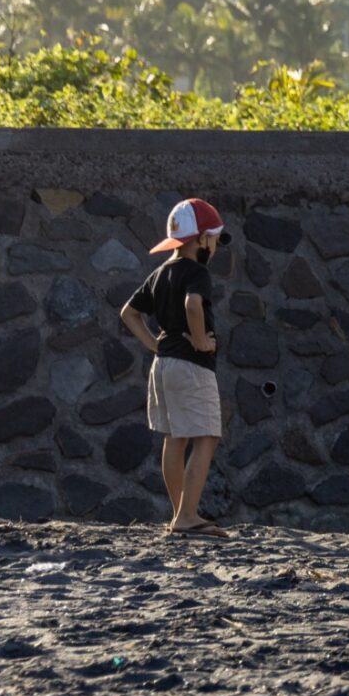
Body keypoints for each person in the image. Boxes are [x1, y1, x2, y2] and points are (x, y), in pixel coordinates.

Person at [116, 198, 232, 538]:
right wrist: (200, 340)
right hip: (191, 365)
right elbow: (193, 303)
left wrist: (155, 345)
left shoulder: (160, 272)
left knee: (175, 438)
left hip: (163, 364)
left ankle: (181, 513)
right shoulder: (197, 272)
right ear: (201, 240)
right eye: (214, 238)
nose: (215, 246)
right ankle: (187, 516)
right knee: (207, 436)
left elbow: (128, 313)